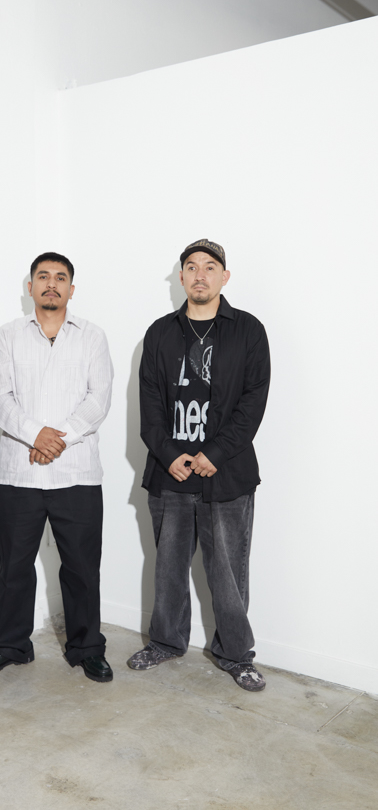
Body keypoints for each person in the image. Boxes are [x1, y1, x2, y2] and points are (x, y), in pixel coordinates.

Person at [128, 239, 270, 691]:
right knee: (168, 569)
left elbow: (253, 402)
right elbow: (149, 405)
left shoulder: (249, 331)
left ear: (224, 277)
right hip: (170, 474)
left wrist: (216, 453)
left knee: (228, 574)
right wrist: (171, 456)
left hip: (227, 476)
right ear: (181, 277)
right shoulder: (159, 333)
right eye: (191, 267)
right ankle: (166, 642)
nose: (200, 274)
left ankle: (236, 655)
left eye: (210, 267)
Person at [0, 252, 114, 682]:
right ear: (30, 286)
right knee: (14, 566)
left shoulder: (93, 337)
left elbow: (98, 399)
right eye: (43, 276)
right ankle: (9, 645)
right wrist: (37, 435)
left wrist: (58, 439)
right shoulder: (7, 337)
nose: (52, 284)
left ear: (72, 289)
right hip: (19, 472)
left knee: (83, 569)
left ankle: (87, 648)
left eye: (60, 277)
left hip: (77, 473)